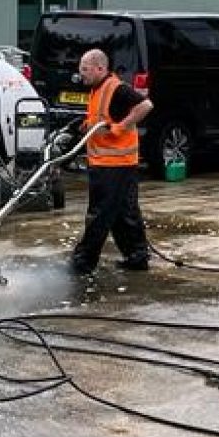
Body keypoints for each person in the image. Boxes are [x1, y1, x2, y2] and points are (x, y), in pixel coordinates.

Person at [71, 49, 155, 274]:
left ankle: (83, 260)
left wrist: (120, 127)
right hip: (107, 162)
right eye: (81, 69)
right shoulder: (96, 89)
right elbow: (101, 118)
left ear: (100, 68)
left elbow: (145, 106)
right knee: (124, 213)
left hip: (114, 164)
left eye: (85, 69)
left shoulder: (116, 88)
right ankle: (136, 256)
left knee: (100, 213)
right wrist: (85, 126)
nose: (81, 74)